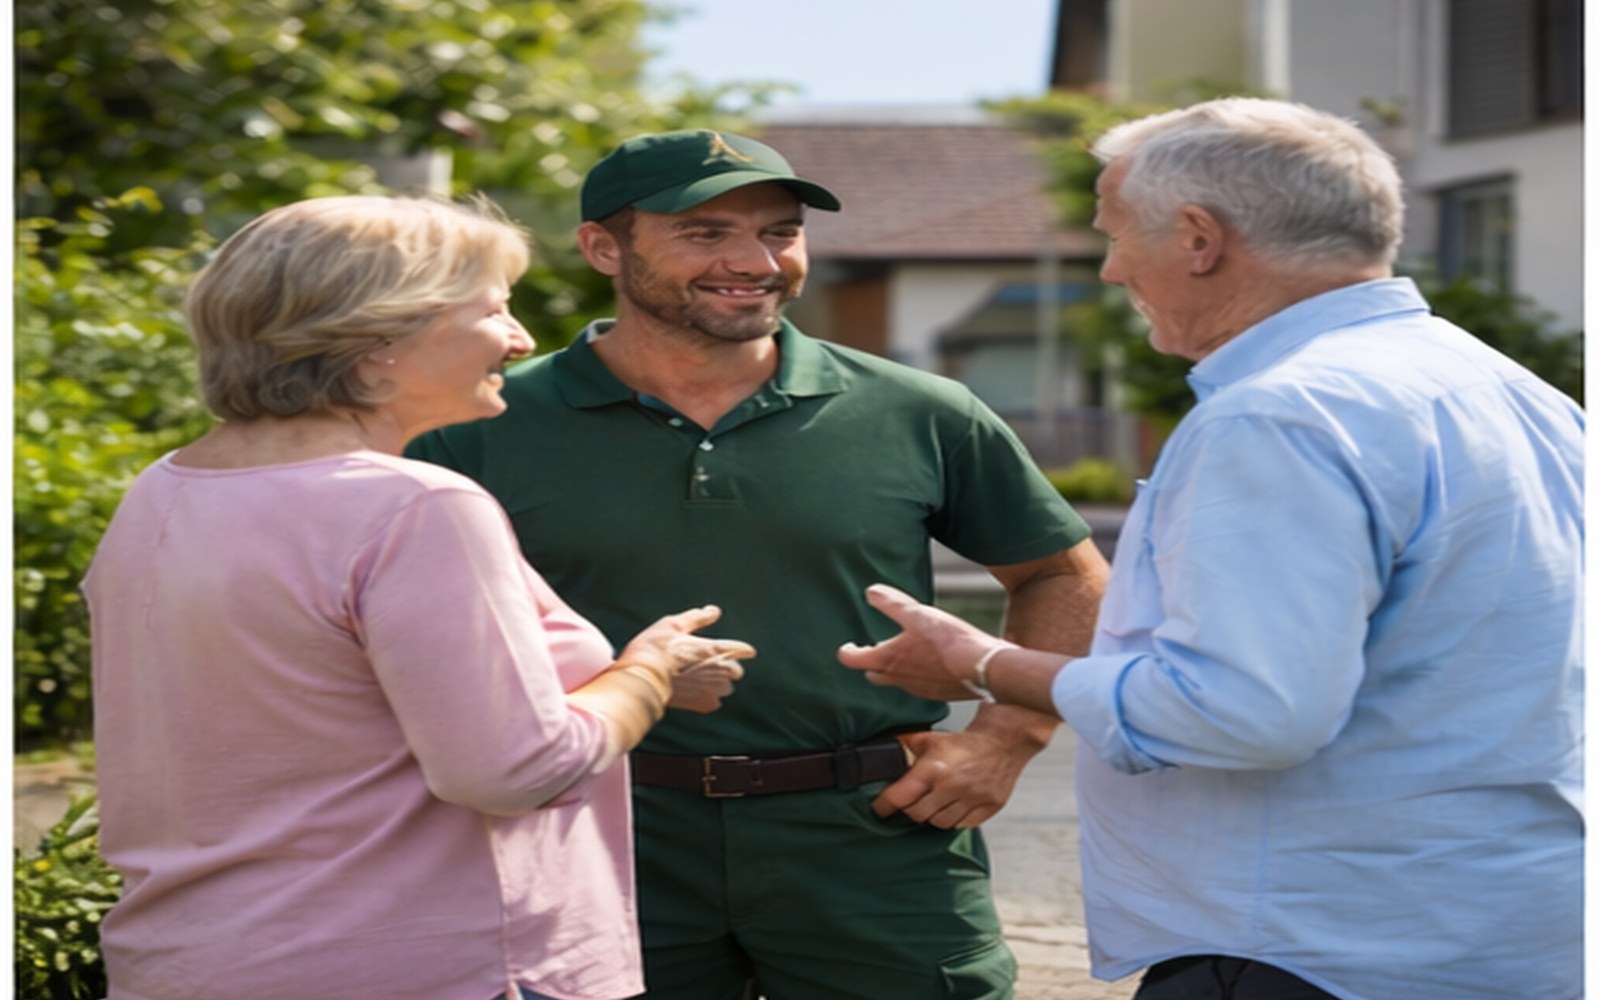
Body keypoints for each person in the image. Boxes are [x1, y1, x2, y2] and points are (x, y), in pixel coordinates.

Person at [838, 97, 1585, 1000]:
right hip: (1503, 927)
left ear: (1199, 238)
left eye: (1114, 236)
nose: (1111, 271)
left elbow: (1243, 713)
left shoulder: (1280, 413)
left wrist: (988, 663)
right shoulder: (1515, 392)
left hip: (1313, 947)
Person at [408, 129, 1111, 999]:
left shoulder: (921, 410)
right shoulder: (476, 424)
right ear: (603, 248)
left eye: (780, 231)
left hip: (871, 834)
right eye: (704, 234)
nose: (755, 260)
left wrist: (1007, 740)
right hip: (596, 829)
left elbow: (1063, 574)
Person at [84, 194, 755, 1000]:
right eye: (495, 311)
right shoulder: (417, 505)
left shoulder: (164, 492)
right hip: (428, 966)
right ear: (377, 346)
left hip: (193, 960)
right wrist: (643, 678)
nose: (521, 339)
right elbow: (513, 770)